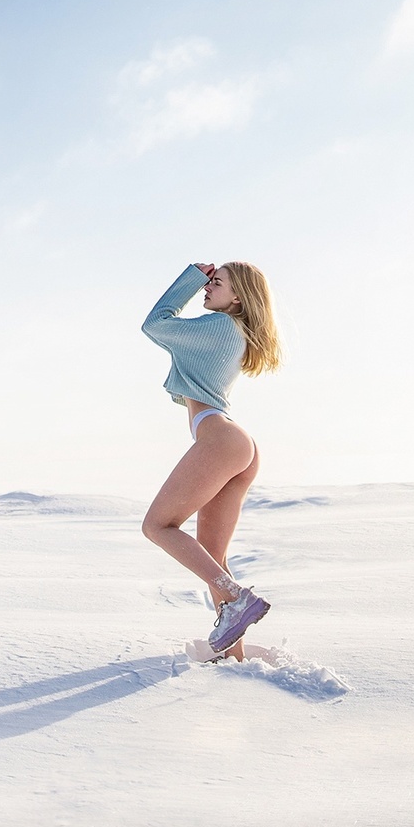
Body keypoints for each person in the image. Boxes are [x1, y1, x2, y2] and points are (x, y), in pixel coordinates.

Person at [138, 261, 283, 658]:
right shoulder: (230, 331)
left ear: (238, 297)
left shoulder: (219, 327)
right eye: (207, 281)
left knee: (158, 525)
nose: (207, 287)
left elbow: (156, 324)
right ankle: (232, 659)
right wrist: (203, 281)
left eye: (215, 283)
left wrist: (187, 280)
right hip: (235, 443)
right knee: (211, 556)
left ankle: (237, 599)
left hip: (222, 439)